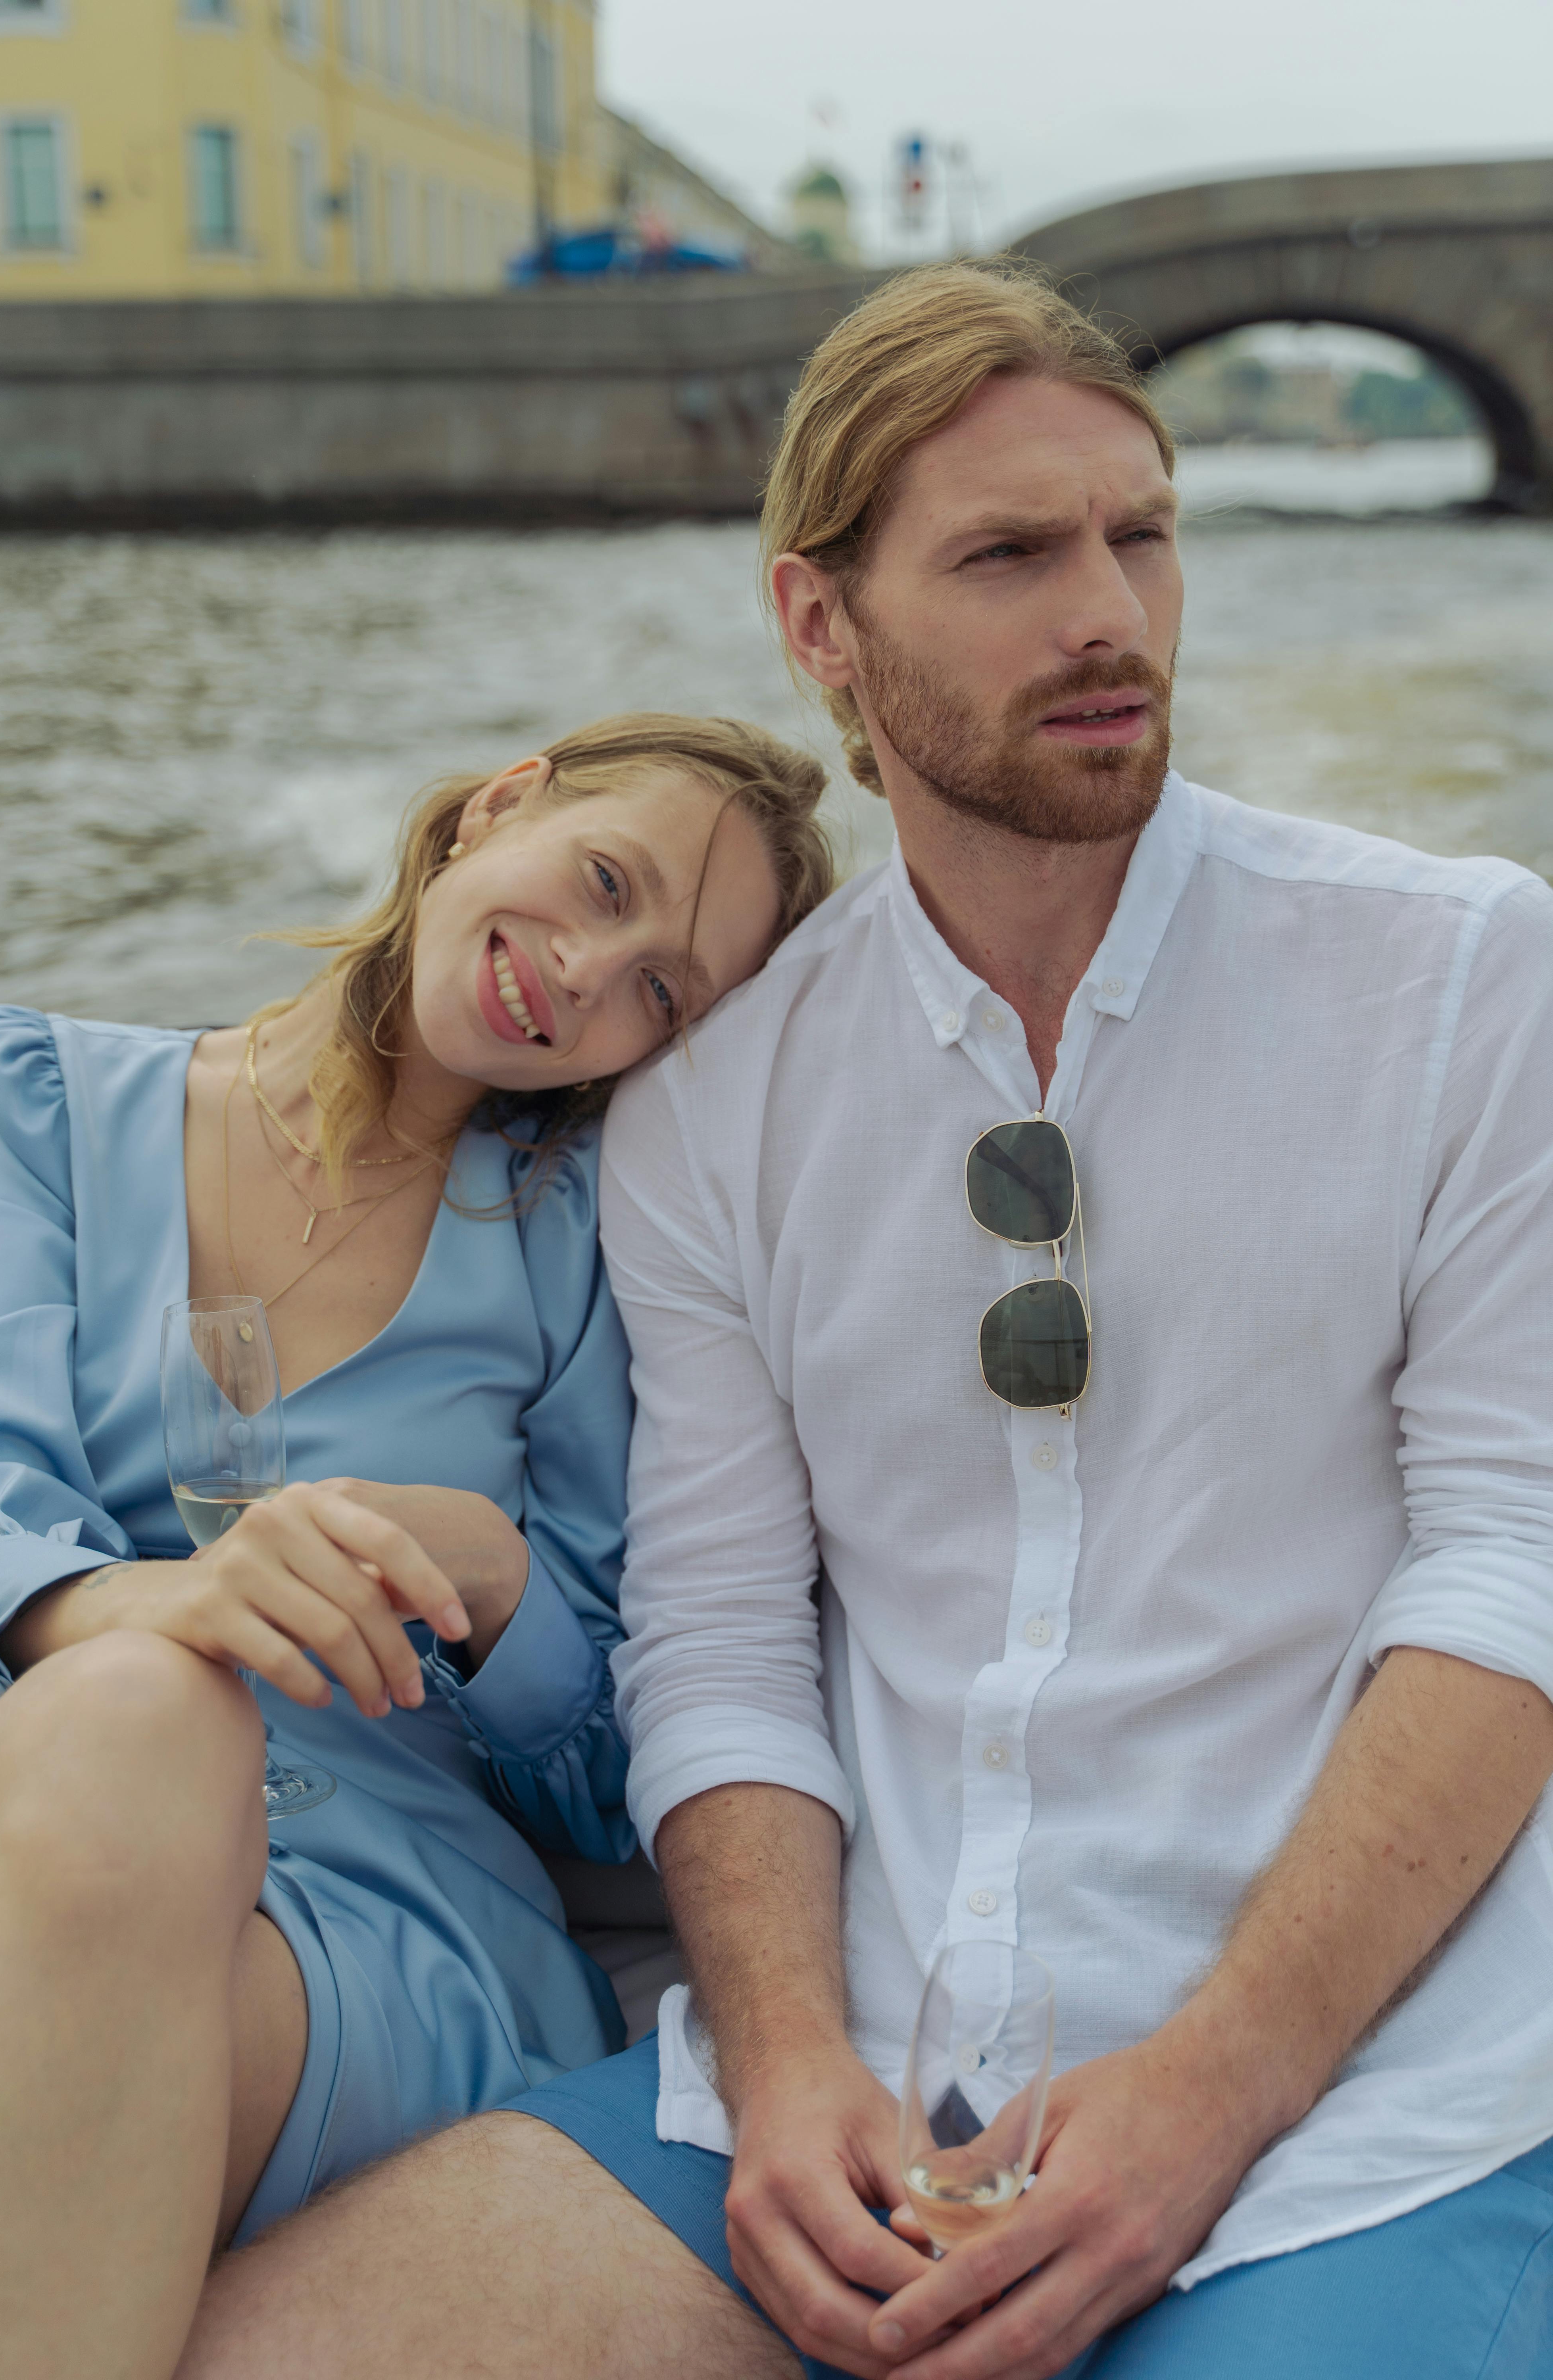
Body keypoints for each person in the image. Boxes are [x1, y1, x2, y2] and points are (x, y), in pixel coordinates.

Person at [178, 263, 1553, 2380]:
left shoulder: (1462, 979)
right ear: (820, 626)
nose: (1109, 613)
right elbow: (717, 1637)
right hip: (832, 2109)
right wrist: (788, 2060)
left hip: (1363, 2109)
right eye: (1011, 555)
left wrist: (1216, 2090)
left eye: (1142, 535)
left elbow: (1513, 1562)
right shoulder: (719, 1102)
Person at [0, 711, 835, 2380]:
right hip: (32, 1792)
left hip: (376, 1910)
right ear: (498, 805)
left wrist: (504, 1596)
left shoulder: (595, 1255)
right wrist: (157, 1603)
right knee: (137, 1720)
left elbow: (617, 1785)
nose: (586, 972)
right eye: (600, 882)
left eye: (660, 988)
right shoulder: (20, 1100)